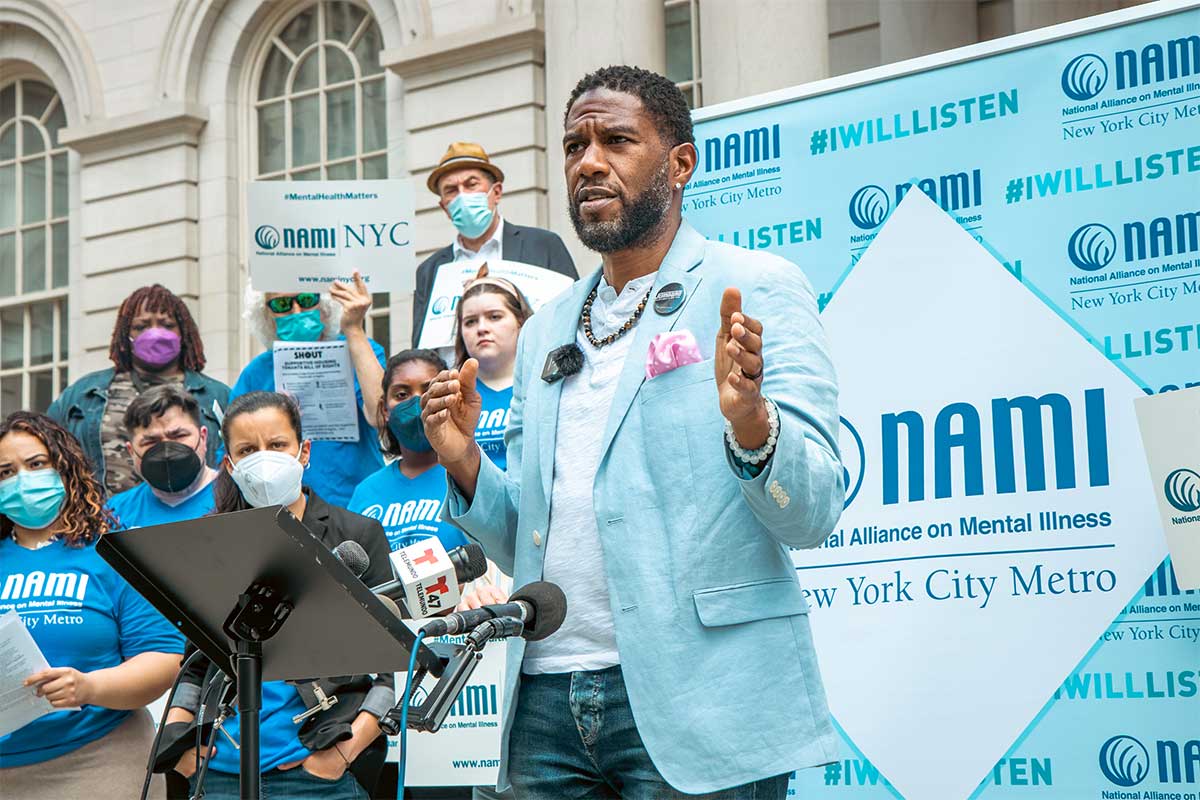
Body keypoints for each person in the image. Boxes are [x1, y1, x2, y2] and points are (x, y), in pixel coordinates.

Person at [421, 66, 844, 799]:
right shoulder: (548, 325)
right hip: (547, 704)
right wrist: (463, 466)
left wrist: (752, 424)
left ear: (679, 163)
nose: (589, 161)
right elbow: (530, 534)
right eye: (574, 145)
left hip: (702, 698)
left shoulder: (758, 285)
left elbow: (811, 513)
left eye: (616, 139)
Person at [161, 391, 394, 799]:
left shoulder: (356, 536)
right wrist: (179, 748)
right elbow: (195, 665)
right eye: (248, 450)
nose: (264, 458)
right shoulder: (212, 545)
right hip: (217, 773)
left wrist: (345, 752)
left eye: (277, 445)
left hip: (318, 772)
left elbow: (391, 665)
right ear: (230, 466)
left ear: (304, 451)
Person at [0, 411, 185, 798]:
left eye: (36, 465)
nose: (22, 480)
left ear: (65, 468)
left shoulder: (114, 551)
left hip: (101, 757)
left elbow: (163, 660)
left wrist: (87, 687)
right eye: (5, 472)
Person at [48, 285, 229, 496]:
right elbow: (48, 450)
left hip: (195, 516)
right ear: (126, 335)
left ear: (183, 332)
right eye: (141, 327)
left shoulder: (217, 396)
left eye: (167, 325)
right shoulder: (82, 395)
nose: (154, 333)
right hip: (107, 520)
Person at [230, 275, 385, 507]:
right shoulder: (256, 373)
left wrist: (354, 329)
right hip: (286, 509)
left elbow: (381, 416)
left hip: (358, 503)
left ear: (323, 303)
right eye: (281, 304)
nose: (296, 310)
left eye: (306, 299)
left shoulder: (360, 349)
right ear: (267, 315)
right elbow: (233, 449)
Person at [410, 141, 579, 347]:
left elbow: (575, 315)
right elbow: (422, 348)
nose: (462, 195)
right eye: (451, 190)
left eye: (471, 184)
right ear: (444, 206)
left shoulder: (543, 245)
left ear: (496, 192)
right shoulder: (429, 271)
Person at [348, 349, 469, 553]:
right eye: (402, 394)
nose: (417, 403)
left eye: (429, 390)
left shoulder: (471, 481)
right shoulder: (365, 492)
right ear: (385, 410)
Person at [452, 268, 533, 472]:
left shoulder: (545, 385)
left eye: (494, 317)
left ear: (520, 322)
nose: (482, 328)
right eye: (470, 321)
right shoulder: (451, 394)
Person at [108, 385, 219, 529]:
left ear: (203, 437)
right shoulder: (114, 514)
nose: (167, 451)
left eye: (179, 436)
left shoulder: (239, 499)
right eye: (151, 441)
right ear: (131, 451)